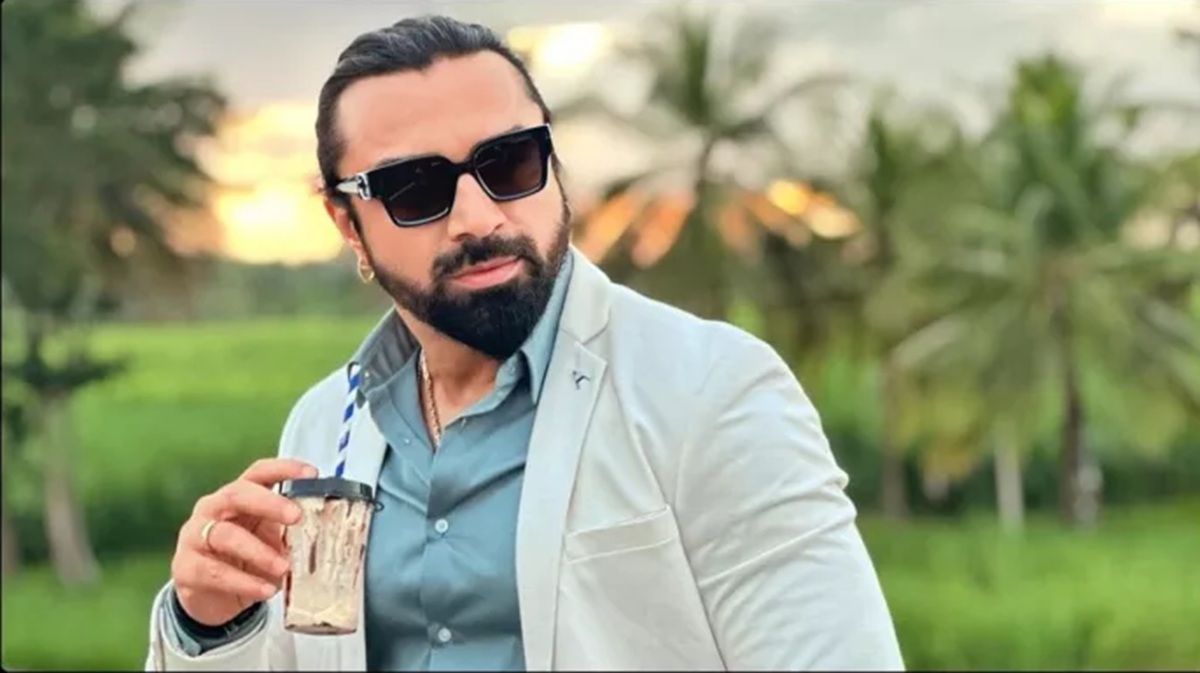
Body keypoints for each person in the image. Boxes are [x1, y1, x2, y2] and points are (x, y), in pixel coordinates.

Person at [144, 14, 904, 672]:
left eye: (509, 163)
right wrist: (206, 623)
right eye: (415, 188)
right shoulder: (326, 429)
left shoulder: (709, 390)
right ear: (348, 223)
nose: (479, 217)